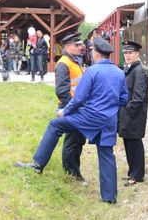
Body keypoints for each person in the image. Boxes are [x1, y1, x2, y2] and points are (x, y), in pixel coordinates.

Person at [15, 37, 128, 203]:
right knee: (106, 154)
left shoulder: (92, 71)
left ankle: (38, 164)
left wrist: (65, 112)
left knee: (55, 125)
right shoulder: (119, 72)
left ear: (96, 53)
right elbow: (124, 99)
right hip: (109, 120)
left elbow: (79, 99)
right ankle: (109, 197)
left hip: (89, 116)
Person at [55, 33, 86, 182]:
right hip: (71, 108)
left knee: (79, 140)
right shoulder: (63, 64)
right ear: (67, 47)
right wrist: (72, 108)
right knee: (72, 141)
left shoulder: (74, 61)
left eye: (80, 44)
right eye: (76, 45)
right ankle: (70, 172)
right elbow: (61, 91)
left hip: (77, 107)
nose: (80, 47)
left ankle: (75, 170)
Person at [118, 40, 148, 186]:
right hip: (128, 114)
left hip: (134, 115)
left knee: (135, 144)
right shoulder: (131, 69)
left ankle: (137, 175)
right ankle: (132, 172)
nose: (127, 56)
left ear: (137, 54)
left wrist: (127, 111)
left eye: (130, 53)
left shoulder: (139, 72)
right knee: (129, 143)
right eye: (125, 53)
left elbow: (139, 97)